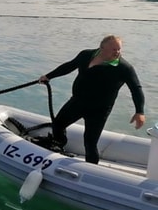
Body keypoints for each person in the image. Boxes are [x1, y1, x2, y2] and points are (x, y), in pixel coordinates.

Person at [38, 35, 145, 164]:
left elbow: (136, 88)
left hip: (99, 110)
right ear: (102, 48)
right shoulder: (86, 55)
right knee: (58, 124)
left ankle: (91, 169)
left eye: (119, 49)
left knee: (90, 142)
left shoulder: (124, 68)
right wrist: (49, 76)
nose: (117, 52)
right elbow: (69, 66)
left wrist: (140, 111)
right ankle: (58, 145)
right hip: (77, 101)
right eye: (113, 49)